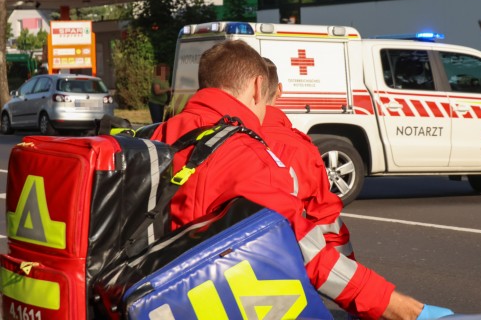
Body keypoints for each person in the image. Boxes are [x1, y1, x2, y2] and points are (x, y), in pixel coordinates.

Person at [150, 40, 453, 320]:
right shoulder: (251, 157)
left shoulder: (157, 137)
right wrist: (402, 309)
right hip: (216, 303)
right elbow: (309, 251)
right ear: (260, 87)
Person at [261, 58, 353, 257]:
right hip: (282, 259)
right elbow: (327, 221)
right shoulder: (300, 148)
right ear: (279, 90)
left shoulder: (212, 139)